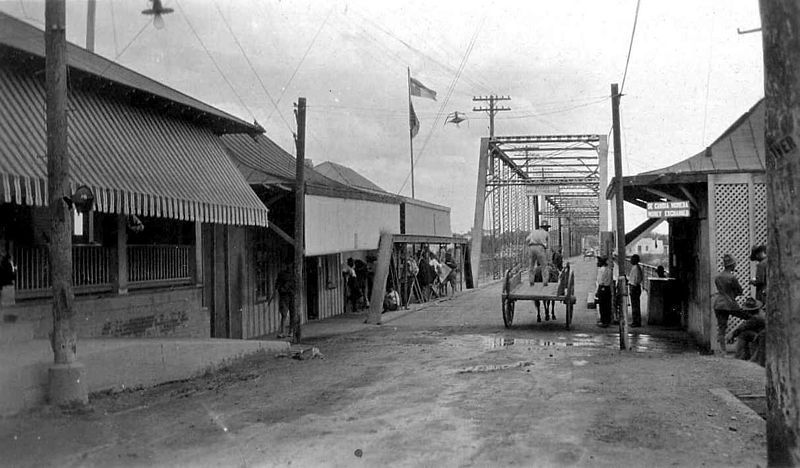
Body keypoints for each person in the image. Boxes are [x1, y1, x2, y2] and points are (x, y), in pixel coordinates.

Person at [713, 253, 748, 353]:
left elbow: (721, 290)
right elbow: (740, 291)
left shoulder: (718, 277)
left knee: (722, 328)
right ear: (732, 265)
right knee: (748, 317)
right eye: (735, 264)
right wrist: (734, 294)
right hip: (730, 304)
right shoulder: (732, 278)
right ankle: (739, 339)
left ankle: (723, 351)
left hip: (718, 304)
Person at [728, 297, 765, 363]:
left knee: (743, 334)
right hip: (762, 335)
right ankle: (744, 355)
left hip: (763, 337)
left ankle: (740, 356)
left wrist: (732, 334)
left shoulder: (755, 318)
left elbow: (743, 327)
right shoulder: (760, 314)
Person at [269, 266, 294, 339]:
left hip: (292, 295)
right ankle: (282, 332)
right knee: (284, 314)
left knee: (292, 314)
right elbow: (277, 284)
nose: (289, 266)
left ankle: (291, 331)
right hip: (284, 296)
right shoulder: (281, 274)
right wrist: (278, 289)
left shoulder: (294, 273)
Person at [526, 222, 551, 287]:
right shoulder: (546, 233)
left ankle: (531, 281)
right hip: (540, 247)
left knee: (531, 266)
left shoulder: (533, 232)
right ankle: (545, 282)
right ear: (546, 228)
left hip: (531, 247)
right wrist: (548, 258)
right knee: (544, 266)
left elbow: (527, 240)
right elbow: (548, 246)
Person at [595, 255, 613, 327]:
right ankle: (607, 320)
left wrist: (597, 291)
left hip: (602, 288)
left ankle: (604, 321)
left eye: (598, 262)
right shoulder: (609, 269)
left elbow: (600, 281)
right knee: (607, 305)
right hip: (608, 288)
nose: (597, 263)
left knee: (602, 305)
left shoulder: (601, 270)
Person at [628, 254, 644, 327]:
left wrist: (632, 286)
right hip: (635, 287)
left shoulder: (636, 268)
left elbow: (635, 279)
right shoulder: (636, 268)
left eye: (632, 259)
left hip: (634, 287)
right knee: (635, 305)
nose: (630, 260)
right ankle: (636, 321)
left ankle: (636, 322)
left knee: (635, 305)